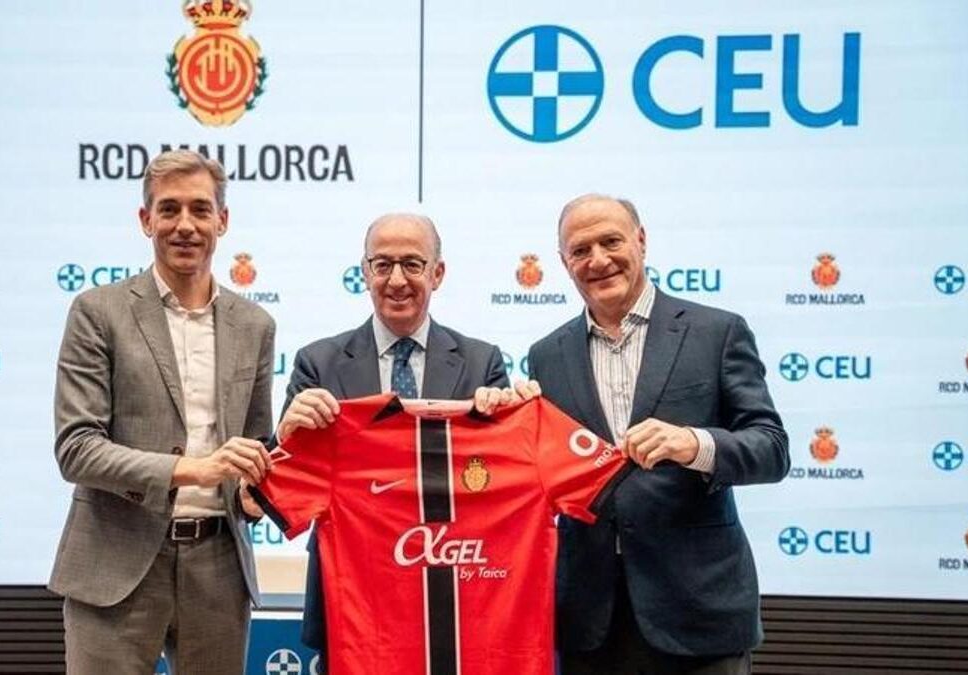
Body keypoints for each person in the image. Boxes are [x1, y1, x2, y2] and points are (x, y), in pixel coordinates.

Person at [528, 195, 789, 674]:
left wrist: (696, 444)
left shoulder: (716, 332)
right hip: (590, 622)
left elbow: (772, 448)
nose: (598, 260)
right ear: (564, 263)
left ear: (641, 241)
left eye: (611, 241)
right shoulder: (546, 355)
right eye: (580, 250)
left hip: (700, 613)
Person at [49, 149, 274, 674]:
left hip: (219, 570)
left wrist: (256, 493)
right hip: (115, 564)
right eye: (169, 209)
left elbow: (256, 447)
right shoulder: (97, 312)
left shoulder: (255, 325)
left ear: (222, 220)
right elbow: (76, 449)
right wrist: (193, 469)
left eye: (200, 209)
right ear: (145, 220)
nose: (185, 225)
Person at [277, 212, 536, 665]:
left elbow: (501, 482)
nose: (397, 280)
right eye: (383, 265)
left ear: (438, 273)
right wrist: (286, 435)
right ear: (364, 273)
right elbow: (282, 485)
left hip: (453, 594)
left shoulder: (482, 363)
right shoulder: (317, 363)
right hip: (351, 602)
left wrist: (517, 416)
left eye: (413, 264)